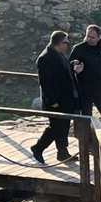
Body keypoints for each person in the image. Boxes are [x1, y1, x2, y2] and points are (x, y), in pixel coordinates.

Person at [31, 30, 79, 164]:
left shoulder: (59, 54)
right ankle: (38, 147)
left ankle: (62, 152)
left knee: (64, 126)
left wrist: (72, 65)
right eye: (66, 42)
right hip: (55, 101)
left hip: (65, 99)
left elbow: (62, 72)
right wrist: (52, 101)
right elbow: (45, 82)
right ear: (59, 43)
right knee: (56, 126)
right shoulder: (45, 58)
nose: (67, 45)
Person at [69, 25, 101, 142]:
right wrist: (76, 68)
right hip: (84, 90)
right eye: (87, 36)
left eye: (92, 37)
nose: (88, 39)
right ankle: (87, 143)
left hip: (99, 89)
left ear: (98, 37)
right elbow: (70, 65)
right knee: (86, 118)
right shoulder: (79, 48)